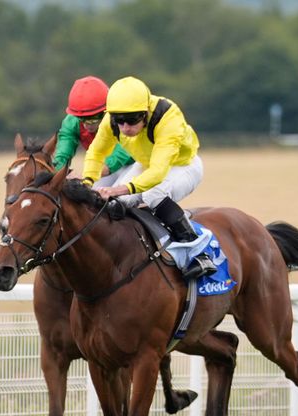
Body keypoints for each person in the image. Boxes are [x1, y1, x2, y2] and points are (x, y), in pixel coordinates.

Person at [81, 76, 216, 280]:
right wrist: (87, 183)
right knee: (114, 203)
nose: (125, 127)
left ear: (145, 112)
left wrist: (118, 189)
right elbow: (96, 153)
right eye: (120, 121)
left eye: (132, 120)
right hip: (145, 163)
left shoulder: (168, 117)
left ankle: (198, 252)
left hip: (183, 165)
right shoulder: (111, 121)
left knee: (153, 195)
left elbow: (158, 173)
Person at [52, 76, 134, 179]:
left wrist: (91, 174)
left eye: (92, 120)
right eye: (81, 119)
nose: (86, 125)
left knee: (123, 189)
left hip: (137, 162)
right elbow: (62, 155)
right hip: (104, 166)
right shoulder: (72, 121)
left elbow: (123, 150)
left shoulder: (120, 117)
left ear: (106, 111)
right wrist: (62, 173)